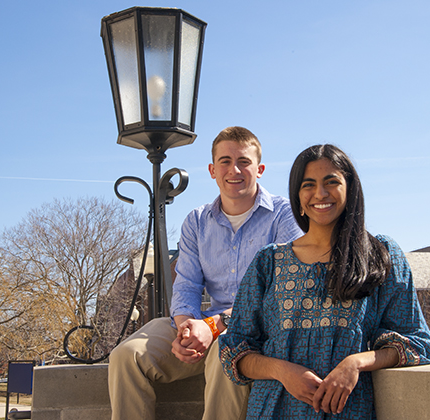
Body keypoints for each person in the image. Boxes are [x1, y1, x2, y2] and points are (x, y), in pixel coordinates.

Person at [220, 144, 430, 419]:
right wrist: (282, 371)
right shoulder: (268, 262)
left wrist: (355, 363)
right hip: (273, 409)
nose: (320, 194)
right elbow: (234, 350)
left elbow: (417, 342)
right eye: (308, 185)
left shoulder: (380, 255)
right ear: (298, 197)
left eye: (331, 182)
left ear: (351, 190)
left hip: (348, 411)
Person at [108, 126, 303, 420]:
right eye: (225, 161)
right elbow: (186, 285)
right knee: (126, 356)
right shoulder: (197, 221)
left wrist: (213, 325)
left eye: (244, 162)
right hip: (203, 326)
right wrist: (186, 327)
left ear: (260, 169)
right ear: (212, 170)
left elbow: (282, 292)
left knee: (226, 352)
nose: (233, 170)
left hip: (256, 332)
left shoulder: (284, 215)